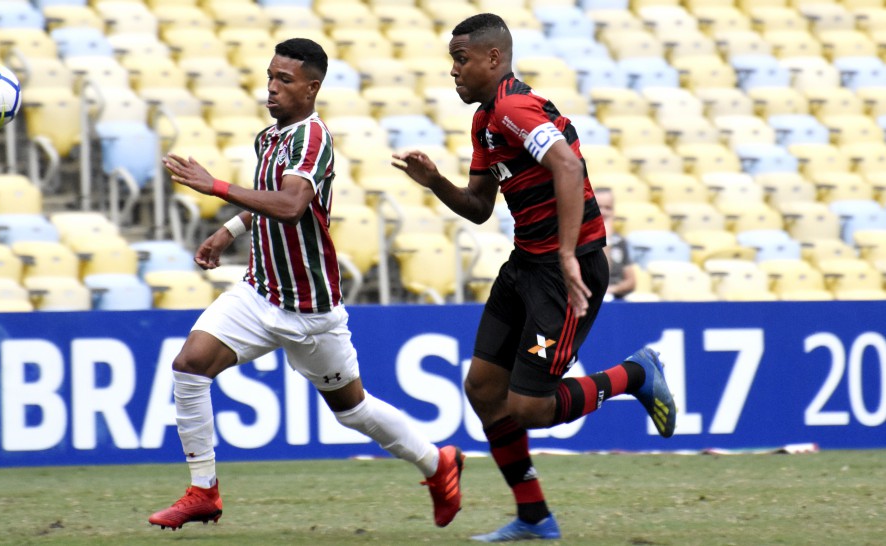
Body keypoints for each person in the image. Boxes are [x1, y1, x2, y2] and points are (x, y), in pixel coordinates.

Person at [148, 38, 464, 532]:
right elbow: (268, 201)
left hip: (309, 310)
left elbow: (293, 206)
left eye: (285, 80)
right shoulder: (269, 137)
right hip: (259, 293)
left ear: (312, 87)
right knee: (189, 367)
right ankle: (203, 491)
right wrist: (227, 231)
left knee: (352, 411)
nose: (271, 88)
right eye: (270, 76)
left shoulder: (313, 140)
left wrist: (214, 187)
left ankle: (437, 463)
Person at [392, 14, 677, 542]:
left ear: (493, 58)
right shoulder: (485, 121)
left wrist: (568, 255)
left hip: (565, 270)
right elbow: (479, 207)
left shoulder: (515, 108)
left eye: (461, 59)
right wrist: (435, 183)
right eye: (451, 60)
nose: (453, 71)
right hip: (526, 264)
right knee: (482, 388)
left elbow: (567, 166)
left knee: (527, 407)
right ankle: (533, 517)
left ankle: (636, 375)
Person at [594, 188, 636, 300]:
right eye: (599, 207)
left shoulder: (620, 241)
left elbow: (631, 281)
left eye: (608, 208)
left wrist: (612, 290)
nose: (603, 212)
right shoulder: (582, 240)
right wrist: (606, 237)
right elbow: (601, 272)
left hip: (615, 296)